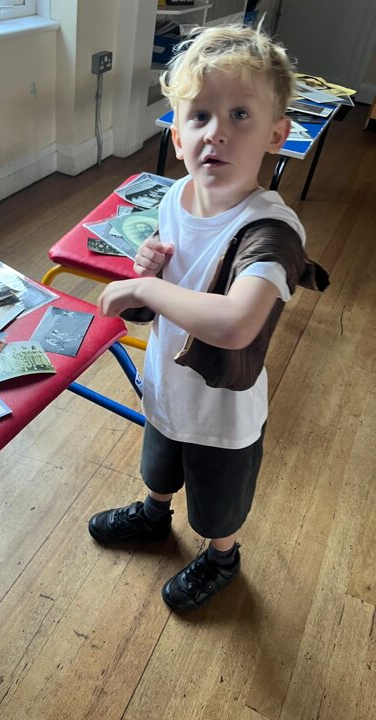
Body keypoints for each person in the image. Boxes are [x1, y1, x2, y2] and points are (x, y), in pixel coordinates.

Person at [88, 25, 328, 613]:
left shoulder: (271, 231)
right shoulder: (175, 197)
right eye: (199, 116)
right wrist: (150, 269)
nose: (216, 131)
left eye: (240, 115)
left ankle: (223, 556)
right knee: (159, 462)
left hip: (223, 409)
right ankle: (153, 515)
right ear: (177, 135)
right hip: (168, 380)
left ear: (277, 135)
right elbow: (172, 284)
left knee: (218, 501)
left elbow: (236, 323)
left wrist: (144, 286)